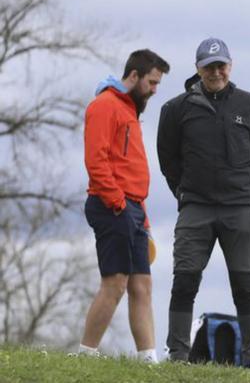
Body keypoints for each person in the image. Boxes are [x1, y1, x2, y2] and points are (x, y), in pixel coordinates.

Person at [157, 37, 250, 368]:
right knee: (184, 281)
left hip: (241, 208)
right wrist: (183, 192)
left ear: (230, 66)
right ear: (198, 69)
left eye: (221, 65)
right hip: (196, 207)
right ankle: (178, 355)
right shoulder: (177, 109)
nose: (216, 72)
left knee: (246, 286)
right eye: (209, 67)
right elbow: (168, 158)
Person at [80, 49, 170, 362]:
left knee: (142, 285)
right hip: (111, 206)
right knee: (115, 283)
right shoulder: (105, 105)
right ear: (134, 76)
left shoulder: (130, 109)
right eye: (152, 82)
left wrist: (141, 217)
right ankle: (86, 353)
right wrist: (118, 203)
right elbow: (96, 160)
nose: (155, 90)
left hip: (133, 209)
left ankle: (148, 360)